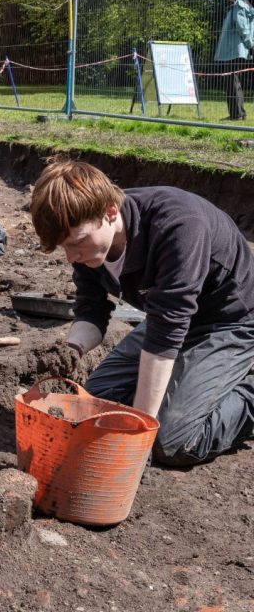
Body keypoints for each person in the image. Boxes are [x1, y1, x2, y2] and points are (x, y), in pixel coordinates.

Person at [29, 158, 254, 467]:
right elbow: (92, 312)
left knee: (170, 440)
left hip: (230, 322)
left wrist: (139, 440)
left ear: (109, 212)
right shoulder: (91, 249)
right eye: (62, 248)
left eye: (77, 243)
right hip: (171, 319)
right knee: (95, 401)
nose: (70, 257)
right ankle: (190, 387)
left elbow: (165, 338)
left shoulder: (179, 226)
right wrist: (71, 350)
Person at [214, 0, 253, 121]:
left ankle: (237, 115)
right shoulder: (244, 5)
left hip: (233, 50)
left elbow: (243, 28)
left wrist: (250, 45)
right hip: (236, 50)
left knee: (231, 82)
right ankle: (238, 113)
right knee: (233, 82)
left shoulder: (238, 6)